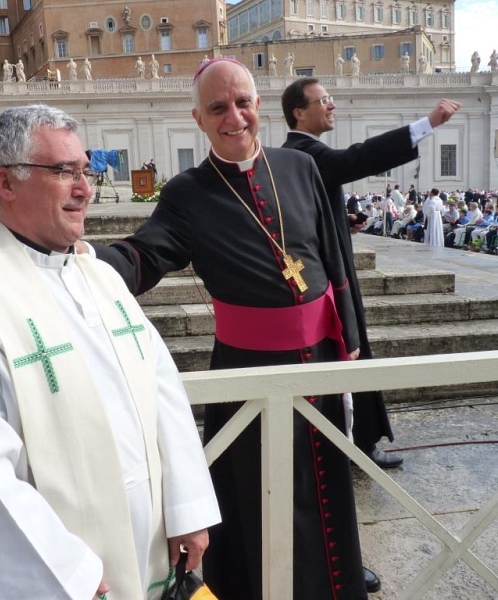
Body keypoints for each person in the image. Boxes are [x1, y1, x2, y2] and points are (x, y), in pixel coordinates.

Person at [0, 105, 221, 600]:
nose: (85, 188)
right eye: (64, 172)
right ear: (6, 183)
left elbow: (162, 392)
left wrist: (187, 511)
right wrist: (68, 574)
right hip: (71, 577)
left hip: (156, 551)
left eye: (85, 170)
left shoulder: (100, 277)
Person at [87, 56, 367, 600]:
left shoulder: (299, 166)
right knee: (258, 497)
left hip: (320, 357)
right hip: (250, 371)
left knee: (327, 489)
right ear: (199, 118)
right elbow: (144, 256)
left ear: (259, 105)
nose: (233, 116)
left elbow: (334, 256)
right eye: (218, 107)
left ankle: (337, 585)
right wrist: (85, 260)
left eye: (242, 103)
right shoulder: (188, 193)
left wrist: (349, 337)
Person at [281, 77, 461, 465]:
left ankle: (351, 440)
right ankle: (358, 443)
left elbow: (304, 215)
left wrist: (339, 220)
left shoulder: (297, 154)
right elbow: (354, 160)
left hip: (328, 274)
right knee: (351, 351)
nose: (332, 105)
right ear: (299, 111)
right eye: (323, 100)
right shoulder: (305, 152)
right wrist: (426, 124)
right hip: (331, 282)